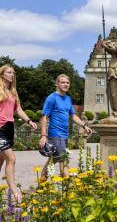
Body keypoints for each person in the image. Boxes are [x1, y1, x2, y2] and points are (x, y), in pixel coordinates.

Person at [39, 74, 92, 179]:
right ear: (57, 84)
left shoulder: (68, 98)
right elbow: (44, 117)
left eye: (67, 82)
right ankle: (69, 188)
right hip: (55, 134)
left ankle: (41, 185)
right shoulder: (52, 98)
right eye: (63, 82)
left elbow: (73, 115)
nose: (65, 84)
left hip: (64, 135)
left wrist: (84, 125)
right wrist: (43, 135)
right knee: (63, 159)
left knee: (53, 160)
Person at [0, 65, 37, 201]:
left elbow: (18, 110)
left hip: (9, 128)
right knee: (11, 159)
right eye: (9, 72)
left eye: (13, 73)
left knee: (1, 161)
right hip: (0, 128)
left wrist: (29, 121)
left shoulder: (13, 92)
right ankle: (15, 193)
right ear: (2, 74)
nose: (12, 75)